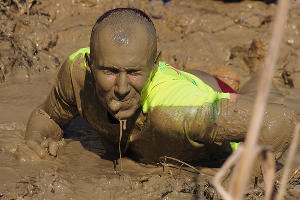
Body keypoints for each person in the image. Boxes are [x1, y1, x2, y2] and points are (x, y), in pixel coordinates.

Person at [20, 8, 298, 175]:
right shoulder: (75, 72)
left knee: (263, 89)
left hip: (210, 94)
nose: (121, 89)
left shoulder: (180, 113)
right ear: (90, 64)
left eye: (133, 73)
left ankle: (258, 66)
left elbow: (279, 122)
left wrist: (237, 183)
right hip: (179, 83)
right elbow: (47, 114)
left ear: (155, 67)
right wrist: (35, 142)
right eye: (109, 71)